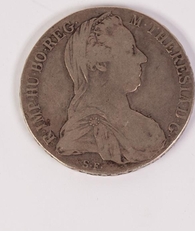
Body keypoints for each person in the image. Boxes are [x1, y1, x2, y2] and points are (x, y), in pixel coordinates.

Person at [56, 12, 166, 164]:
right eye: (131, 50)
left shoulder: (146, 127)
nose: (143, 58)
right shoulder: (78, 135)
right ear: (100, 63)